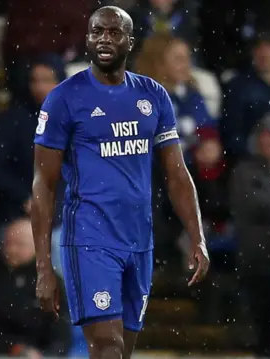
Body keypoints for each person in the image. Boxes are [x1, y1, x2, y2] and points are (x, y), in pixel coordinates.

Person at [30, 6, 210, 359]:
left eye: (114, 33)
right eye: (97, 32)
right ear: (87, 40)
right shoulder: (65, 99)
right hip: (89, 240)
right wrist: (43, 266)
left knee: (122, 352)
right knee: (107, 347)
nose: (104, 39)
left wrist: (197, 235)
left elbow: (177, 174)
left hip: (138, 240)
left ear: (130, 40)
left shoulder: (153, 95)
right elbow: (43, 184)